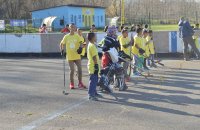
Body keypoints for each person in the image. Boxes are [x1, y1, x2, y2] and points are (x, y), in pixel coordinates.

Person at [60, 24, 86, 89]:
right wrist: (62, 50)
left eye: (74, 27)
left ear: (75, 28)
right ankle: (71, 83)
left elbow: (83, 43)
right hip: (70, 56)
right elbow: (62, 44)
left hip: (77, 56)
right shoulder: (66, 36)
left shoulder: (78, 36)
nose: (72, 28)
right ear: (69, 28)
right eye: (71, 27)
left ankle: (80, 83)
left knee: (80, 70)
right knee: (72, 70)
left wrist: (80, 48)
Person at [87, 32, 100, 101]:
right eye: (95, 36)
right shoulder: (92, 46)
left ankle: (94, 92)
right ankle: (91, 95)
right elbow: (94, 57)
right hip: (93, 66)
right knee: (93, 80)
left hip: (92, 65)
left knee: (95, 80)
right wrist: (96, 65)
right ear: (92, 38)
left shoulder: (91, 44)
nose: (96, 37)